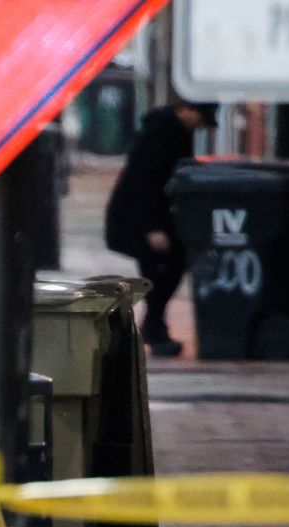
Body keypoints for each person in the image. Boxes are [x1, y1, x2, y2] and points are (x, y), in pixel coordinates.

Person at [105, 101, 217, 357]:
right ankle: (154, 328)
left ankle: (155, 327)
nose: (200, 125)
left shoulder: (173, 133)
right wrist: (152, 227)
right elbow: (145, 182)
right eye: (200, 117)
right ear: (185, 110)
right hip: (140, 220)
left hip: (150, 218)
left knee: (164, 269)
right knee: (164, 267)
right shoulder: (160, 135)